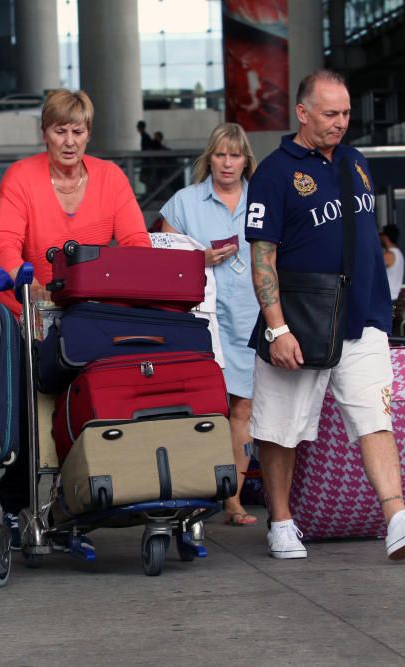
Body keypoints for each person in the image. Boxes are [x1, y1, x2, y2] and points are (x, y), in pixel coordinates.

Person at [245, 70, 405, 561]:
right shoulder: (274, 173)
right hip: (300, 324)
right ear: (303, 112)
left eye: (345, 114)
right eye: (330, 114)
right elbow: (261, 258)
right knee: (281, 429)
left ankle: (397, 517)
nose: (341, 123)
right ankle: (281, 521)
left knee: (376, 418)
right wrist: (277, 328)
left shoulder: (356, 162)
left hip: (362, 321)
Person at [0, 88, 151, 543]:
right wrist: (23, 281)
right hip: (30, 310)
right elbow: (4, 242)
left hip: (93, 313)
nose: (69, 140)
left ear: (88, 134)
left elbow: (136, 243)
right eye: (59, 130)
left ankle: (82, 495)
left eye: (77, 131)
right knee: (28, 411)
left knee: (95, 404)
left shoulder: (110, 177)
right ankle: (18, 503)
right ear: (45, 133)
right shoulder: (21, 177)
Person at [159, 122, 260, 526]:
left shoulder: (262, 199)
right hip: (200, 321)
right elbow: (160, 256)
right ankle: (189, 494)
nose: (228, 163)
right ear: (209, 158)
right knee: (200, 409)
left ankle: (233, 500)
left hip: (252, 318)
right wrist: (197, 259)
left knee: (244, 409)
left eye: (235, 155)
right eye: (221, 154)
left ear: (246, 160)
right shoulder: (184, 202)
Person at [380, 223, 405, 301]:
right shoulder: (399, 253)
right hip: (394, 298)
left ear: (385, 237)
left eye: (381, 235)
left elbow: (371, 271)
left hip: (387, 298)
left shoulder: (388, 255)